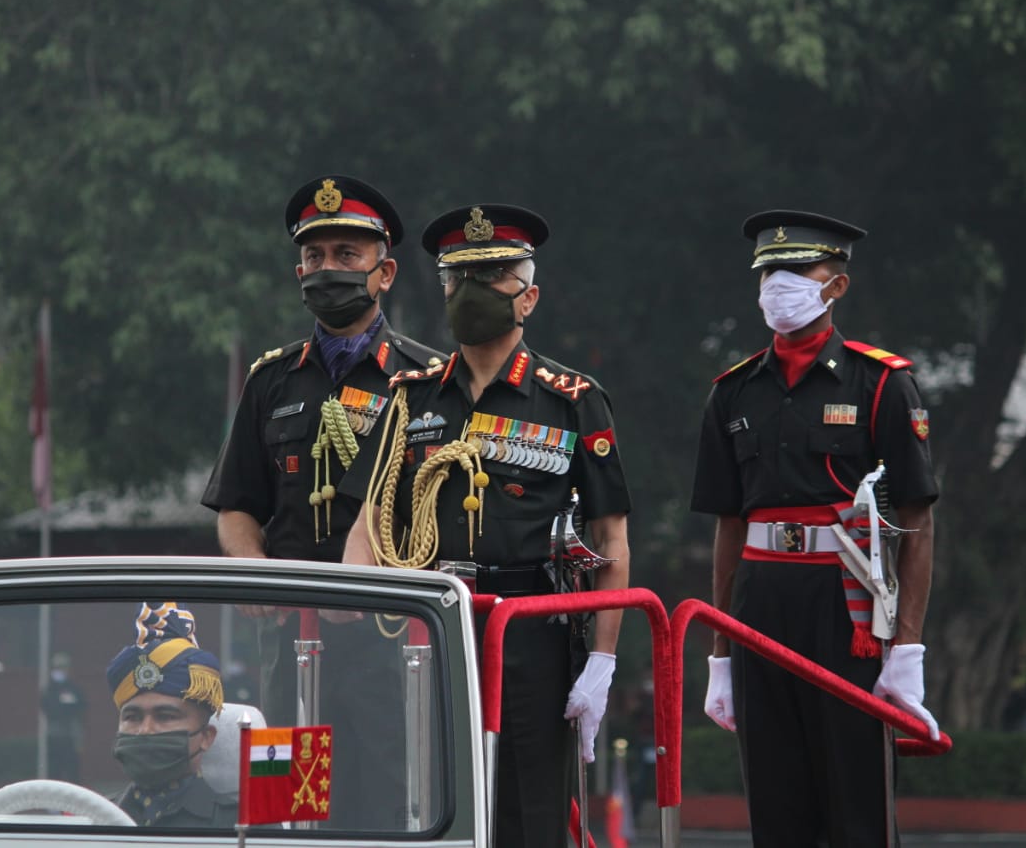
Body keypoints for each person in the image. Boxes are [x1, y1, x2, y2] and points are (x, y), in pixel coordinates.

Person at [340, 203, 632, 847]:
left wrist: (603, 660)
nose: (470, 292)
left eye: (493, 275)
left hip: (532, 623)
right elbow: (370, 518)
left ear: (528, 298)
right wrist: (359, 609)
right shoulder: (411, 395)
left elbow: (612, 537)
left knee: (531, 808)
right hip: (436, 624)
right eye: (456, 278)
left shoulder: (570, 398)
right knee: (435, 798)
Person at [691, 210, 940, 847]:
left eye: (798, 270)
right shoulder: (733, 392)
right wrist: (720, 652)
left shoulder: (882, 381)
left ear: (837, 287)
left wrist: (907, 650)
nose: (779, 283)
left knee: (856, 804)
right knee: (776, 804)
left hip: (847, 607)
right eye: (769, 271)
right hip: (759, 605)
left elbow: (917, 519)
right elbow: (728, 526)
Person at [202, 174, 442, 830]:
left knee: (385, 809)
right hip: (289, 645)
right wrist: (253, 565)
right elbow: (236, 506)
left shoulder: (426, 381)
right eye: (314, 256)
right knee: (287, 814)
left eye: (346, 255)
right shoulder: (270, 378)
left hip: (388, 647)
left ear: (384, 271)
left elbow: (439, 515)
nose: (326, 269)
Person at [104, 602, 237, 828]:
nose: (145, 730)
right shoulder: (93, 819)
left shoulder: (242, 828)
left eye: (165, 716)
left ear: (206, 737)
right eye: (132, 717)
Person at [40, 652, 86, 782]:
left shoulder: (74, 689)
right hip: (53, 737)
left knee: (72, 773)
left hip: (70, 736)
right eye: (57, 667)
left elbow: (80, 708)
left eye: (63, 667)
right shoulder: (49, 689)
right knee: (54, 773)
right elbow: (47, 708)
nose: (60, 670)